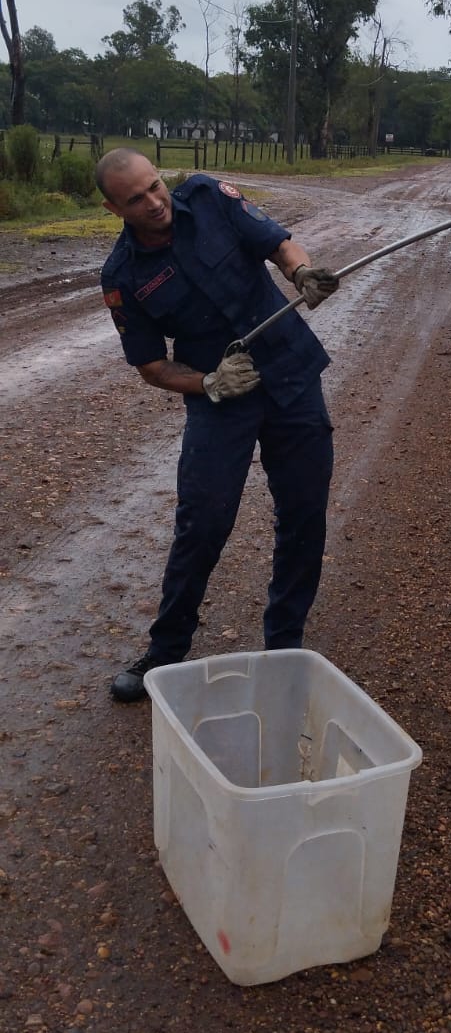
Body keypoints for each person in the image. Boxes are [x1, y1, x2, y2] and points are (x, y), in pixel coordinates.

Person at [96, 148, 339, 703]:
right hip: (221, 396)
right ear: (114, 209)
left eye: (155, 186)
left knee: (303, 512)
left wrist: (301, 272)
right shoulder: (123, 276)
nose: (154, 202)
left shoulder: (208, 198)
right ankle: (165, 651)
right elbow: (151, 366)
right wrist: (208, 382)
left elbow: (278, 244)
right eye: (136, 199)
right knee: (202, 520)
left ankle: (285, 648)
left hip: (290, 371)